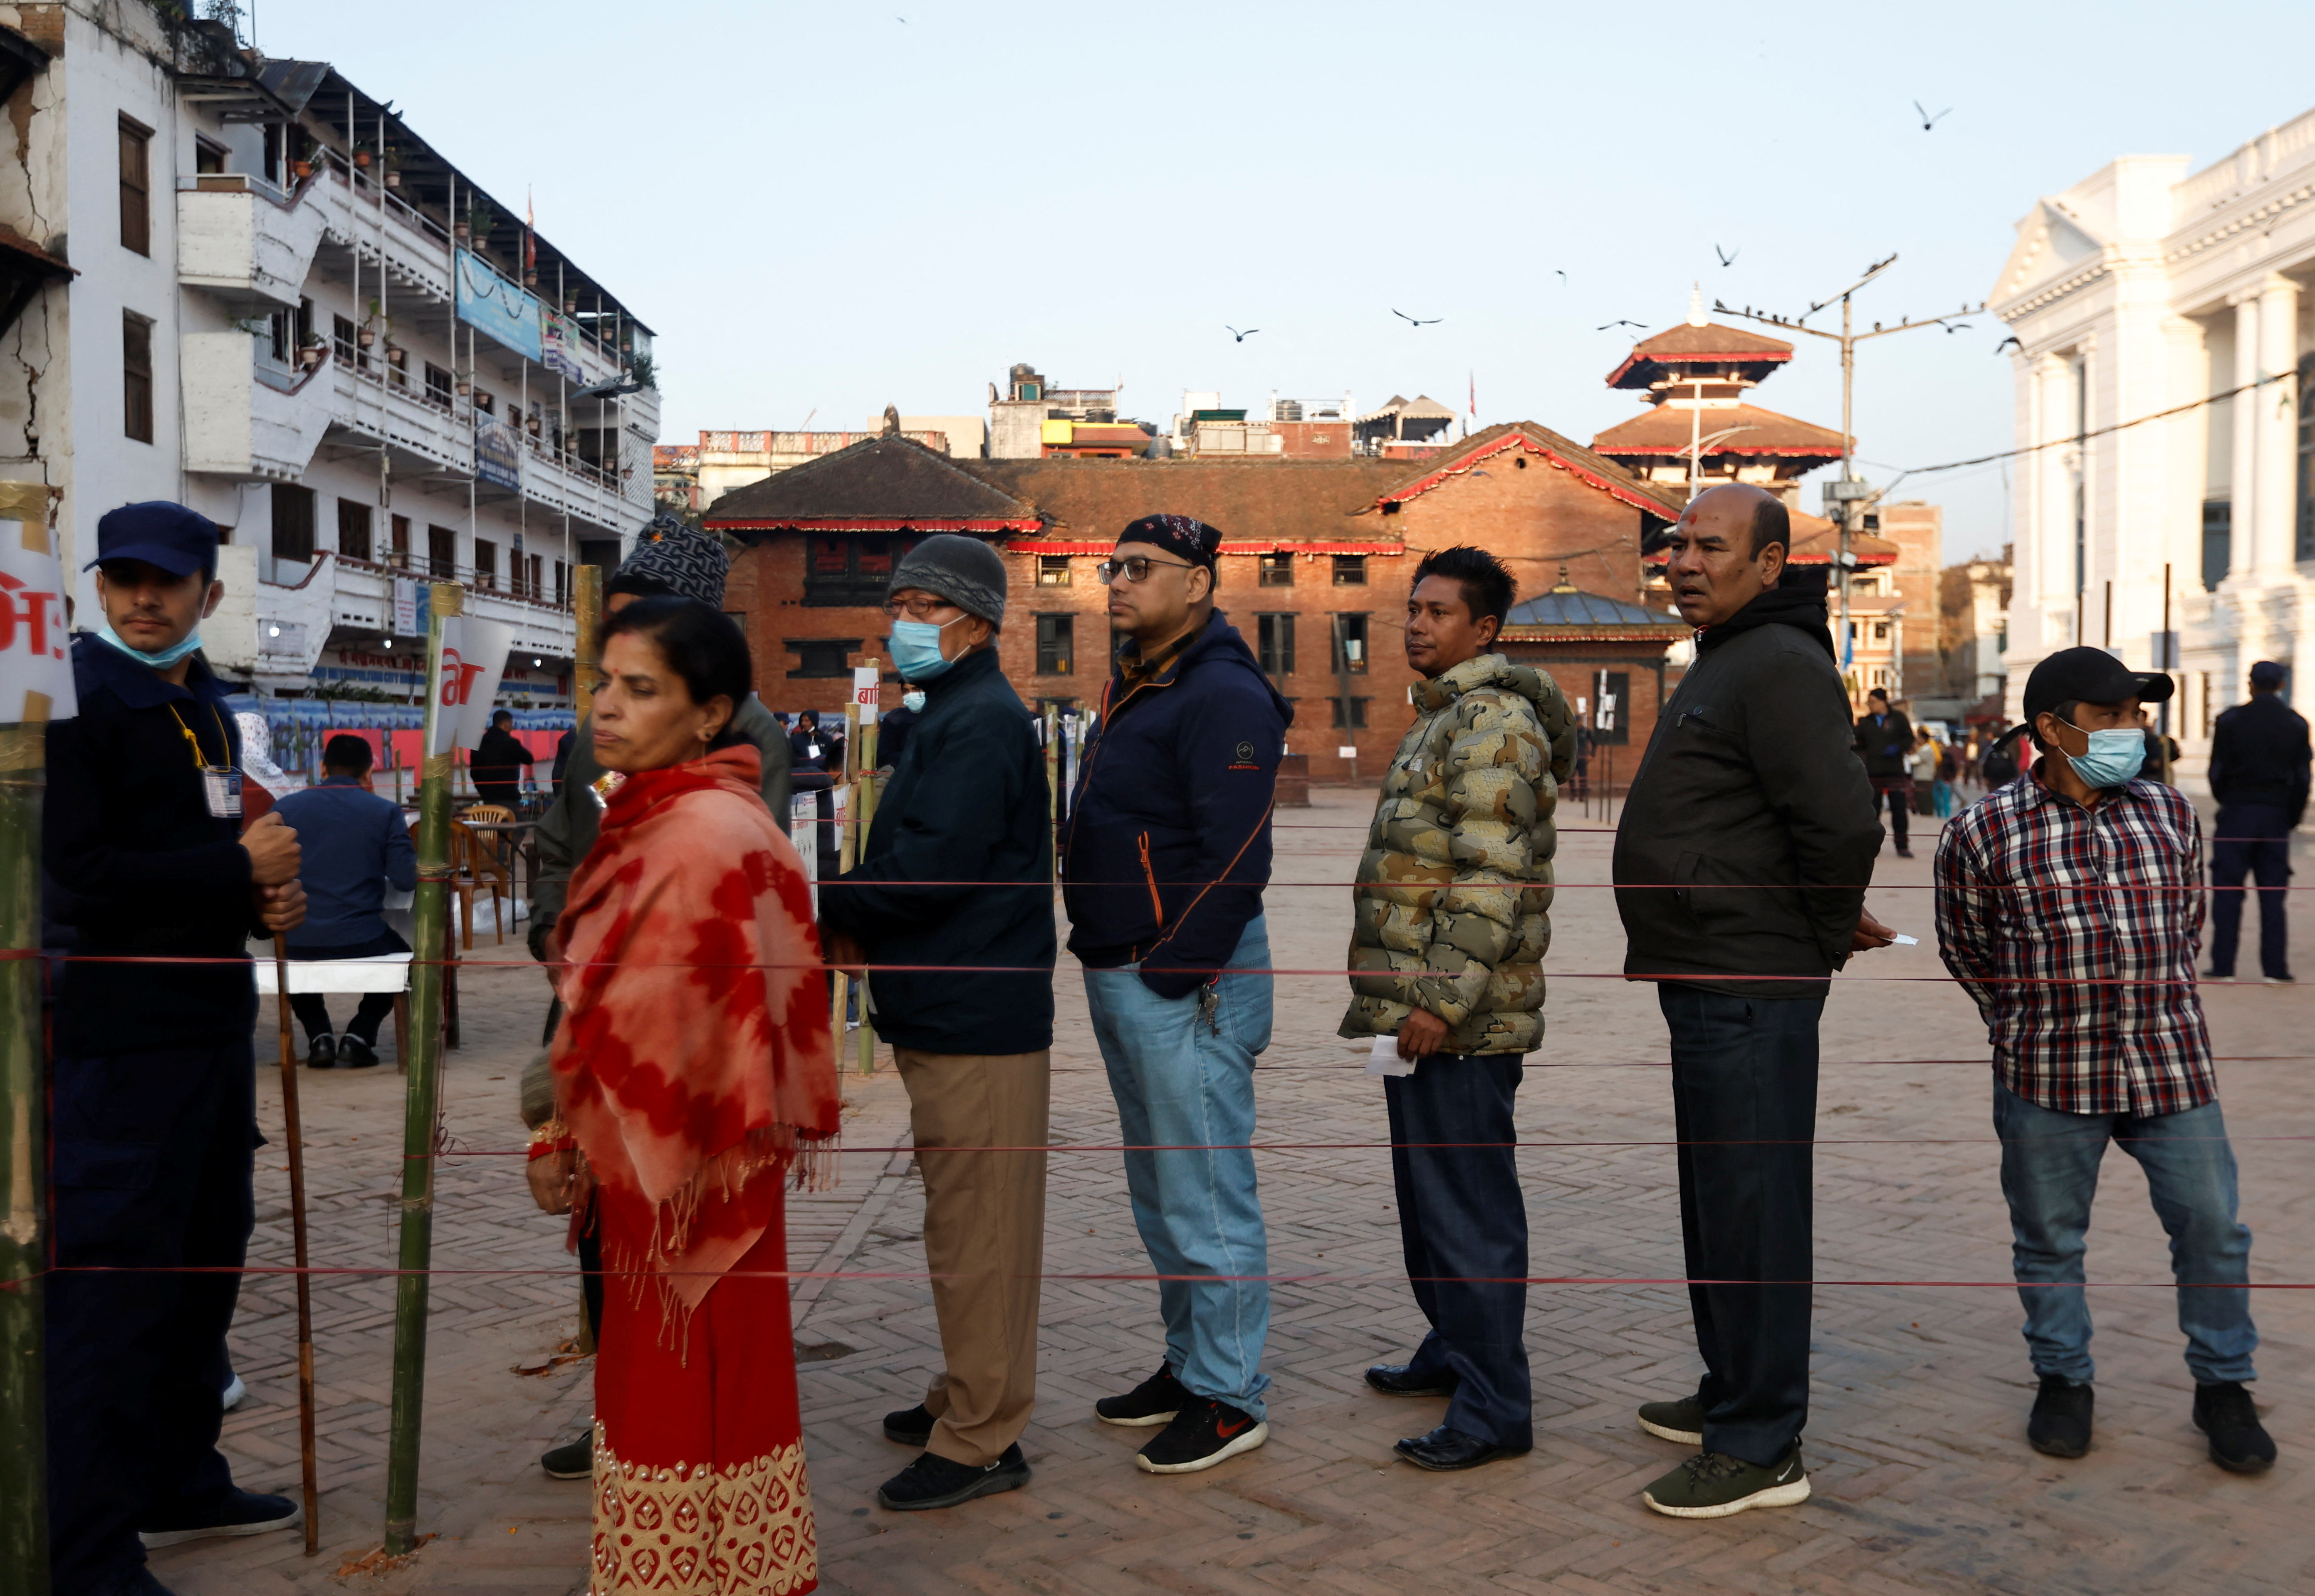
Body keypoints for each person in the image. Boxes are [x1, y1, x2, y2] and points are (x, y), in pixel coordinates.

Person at [536, 596, 841, 1591]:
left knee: (683, 1379)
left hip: (687, 1157)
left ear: (710, 714)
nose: (607, 709)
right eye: (602, 685)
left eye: (640, 689)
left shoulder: (697, 829)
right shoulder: (672, 811)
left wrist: (564, 1126)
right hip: (690, 1154)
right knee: (694, 1377)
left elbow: (656, 1028)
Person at [44, 501, 310, 1596]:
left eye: (166, 581)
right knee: (111, 1297)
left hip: (207, 1036)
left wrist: (260, 899)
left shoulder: (197, 698)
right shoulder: (67, 702)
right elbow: (79, 875)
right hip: (115, 1046)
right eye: (124, 580)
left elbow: (206, 861)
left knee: (203, 1271)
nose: (143, 599)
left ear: (208, 588)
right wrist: (231, 866)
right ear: (99, 587)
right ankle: (84, 1546)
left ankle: (178, 1474)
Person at [1613, 484, 1888, 1520]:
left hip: (1751, 983)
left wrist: (1810, 934)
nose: (1681, 561)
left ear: (1770, 566)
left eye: (1710, 546)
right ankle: (1733, 1389)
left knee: (1755, 1212)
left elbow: (1841, 820)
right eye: (1677, 543)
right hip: (1714, 972)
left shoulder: (1776, 662)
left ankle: (1764, 1441)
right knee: (1716, 1200)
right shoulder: (1727, 656)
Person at [1936, 647, 2274, 1475]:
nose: (2132, 730)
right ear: (2052, 729)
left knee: (2211, 1229)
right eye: (2113, 715)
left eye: (2136, 714)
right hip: (2048, 1073)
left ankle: (2223, 1384)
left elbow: (2184, 927)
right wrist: (2026, 1019)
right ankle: (2061, 1377)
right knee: (2048, 1237)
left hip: (2169, 1065)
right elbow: (1966, 949)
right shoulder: (1983, 828)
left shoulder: (2167, 813)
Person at [525, 513, 791, 1480]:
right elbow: (557, 852)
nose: (614, 694)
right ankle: (626, 1421)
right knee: (618, 1260)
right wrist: (567, 940)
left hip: (689, 1063)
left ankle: (685, 1469)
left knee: (698, 1286)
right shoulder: (596, 737)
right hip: (595, 1017)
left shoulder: (733, 753)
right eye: (608, 669)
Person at [815, 537, 1055, 1512]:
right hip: (947, 1002)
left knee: (981, 1233)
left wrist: (823, 904)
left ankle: (984, 1438)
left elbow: (930, 871)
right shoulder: (949, 712)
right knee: (962, 1221)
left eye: (924, 603)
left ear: (977, 622)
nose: (902, 620)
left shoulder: (981, 722)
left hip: (976, 1012)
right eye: (898, 601)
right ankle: (970, 1389)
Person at [1062, 513, 1289, 1475]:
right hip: (1128, 964)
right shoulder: (1144, 680)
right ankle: (1192, 1364)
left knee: (1204, 1191)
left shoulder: (1224, 691)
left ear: (1198, 583)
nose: (1117, 582)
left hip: (1178, 978)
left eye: (1141, 569)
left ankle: (1231, 1398)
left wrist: (1171, 968)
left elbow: (1239, 854)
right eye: (1112, 567)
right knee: (1164, 1191)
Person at [1338, 546, 1573, 1473]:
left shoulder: (1493, 723)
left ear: (1484, 630)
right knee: (1429, 1204)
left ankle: (1493, 1407)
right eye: (1411, 608)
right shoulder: (1442, 716)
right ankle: (1454, 1346)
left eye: (1438, 613)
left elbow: (1490, 875)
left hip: (1463, 1022)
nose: (1416, 625)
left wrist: (1436, 997)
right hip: (1424, 1015)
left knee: (1468, 1211)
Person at [272, 733, 418, 1069]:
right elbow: (406, 879)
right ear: (368, 773)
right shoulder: (385, 812)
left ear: (322, 767)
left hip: (297, 939)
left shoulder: (286, 808)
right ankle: (360, 1034)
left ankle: (319, 1035)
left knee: (297, 948)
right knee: (409, 957)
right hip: (361, 937)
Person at [2206, 660, 2309, 985]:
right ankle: (2275, 968)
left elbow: (2216, 771)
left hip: (2237, 811)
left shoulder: (2230, 720)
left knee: (2227, 890)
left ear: (2250, 684)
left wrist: (2230, 801)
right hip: (2276, 813)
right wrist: (2290, 816)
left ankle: (2224, 966)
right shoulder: (2296, 723)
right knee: (2273, 893)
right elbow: (2303, 778)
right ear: (2281, 685)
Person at [1852, 687, 1916, 857]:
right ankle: (1873, 846)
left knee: (1899, 810)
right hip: (1874, 772)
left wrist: (1898, 747)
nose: (1870, 705)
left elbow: (1909, 738)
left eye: (1873, 702)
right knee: (1873, 812)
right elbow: (1856, 742)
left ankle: (1902, 845)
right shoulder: (1866, 722)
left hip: (1895, 771)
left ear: (1883, 702)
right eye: (1869, 702)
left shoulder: (1899, 719)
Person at [471, 708, 533, 808]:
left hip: (487, 795)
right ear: (507, 724)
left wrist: (481, 790)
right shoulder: (511, 743)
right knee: (518, 822)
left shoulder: (478, 743)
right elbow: (529, 759)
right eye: (511, 725)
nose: (512, 728)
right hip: (508, 796)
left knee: (492, 821)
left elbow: (474, 771)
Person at [878, 681, 925, 771]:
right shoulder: (894, 719)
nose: (911, 694)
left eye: (916, 690)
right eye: (906, 691)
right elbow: (884, 757)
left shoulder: (942, 716)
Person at [790, 708, 831, 773]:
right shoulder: (795, 739)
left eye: (807, 721)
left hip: (823, 775)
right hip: (803, 775)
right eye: (802, 721)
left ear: (814, 721)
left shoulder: (826, 739)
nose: (804, 723)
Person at [1909, 732, 1941, 818]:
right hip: (1922, 778)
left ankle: (1927, 816)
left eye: (1919, 738)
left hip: (1925, 778)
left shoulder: (1926, 750)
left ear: (1923, 739)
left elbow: (1914, 760)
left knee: (1924, 799)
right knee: (1921, 799)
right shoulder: (1922, 749)